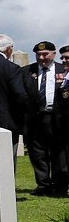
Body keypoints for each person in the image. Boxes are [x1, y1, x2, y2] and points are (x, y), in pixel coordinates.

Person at [20, 40, 66, 196]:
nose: (41, 57)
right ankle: (43, 184)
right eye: (38, 55)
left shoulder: (63, 69)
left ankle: (60, 185)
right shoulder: (26, 71)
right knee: (37, 152)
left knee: (59, 153)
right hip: (35, 118)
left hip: (57, 118)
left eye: (45, 54)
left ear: (53, 54)